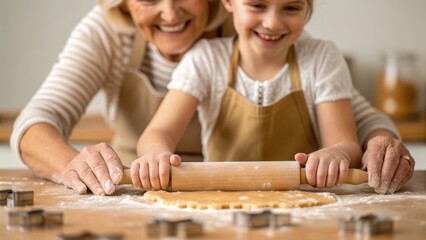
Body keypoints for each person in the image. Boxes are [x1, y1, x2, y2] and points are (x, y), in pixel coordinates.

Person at [11, 0, 414, 196]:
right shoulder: (104, 33)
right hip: (135, 189)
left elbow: (355, 118)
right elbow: (38, 120)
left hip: (269, 191)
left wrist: (379, 143)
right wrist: (74, 168)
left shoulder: (265, 30)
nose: (170, 13)